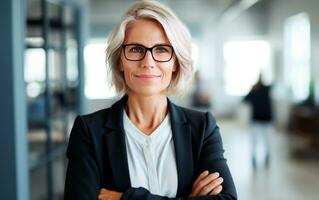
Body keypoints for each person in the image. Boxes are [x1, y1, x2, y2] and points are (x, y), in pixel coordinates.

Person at [64, 1, 237, 199]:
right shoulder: (88, 131)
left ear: (176, 62)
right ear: (120, 60)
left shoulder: (203, 127)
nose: (148, 63)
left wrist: (126, 198)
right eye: (136, 49)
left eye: (162, 49)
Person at [244, 75, 273, 169]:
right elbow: (245, 100)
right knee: (255, 141)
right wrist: (252, 90)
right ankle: (254, 158)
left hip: (265, 119)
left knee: (266, 141)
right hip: (257, 120)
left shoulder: (267, 88)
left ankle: (266, 156)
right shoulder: (255, 89)